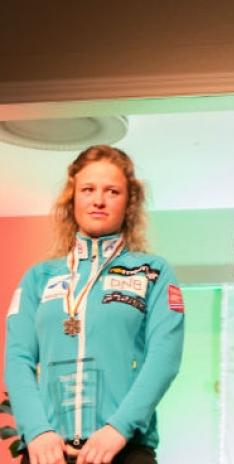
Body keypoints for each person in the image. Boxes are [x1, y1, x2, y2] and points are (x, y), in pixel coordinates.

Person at [5, 145, 185, 464]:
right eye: (88, 189)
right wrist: (37, 432)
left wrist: (118, 428)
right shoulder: (39, 278)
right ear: (72, 198)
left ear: (129, 202)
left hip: (124, 448)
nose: (98, 200)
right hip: (48, 452)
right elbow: (18, 359)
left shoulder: (153, 272)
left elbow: (164, 358)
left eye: (112, 191)